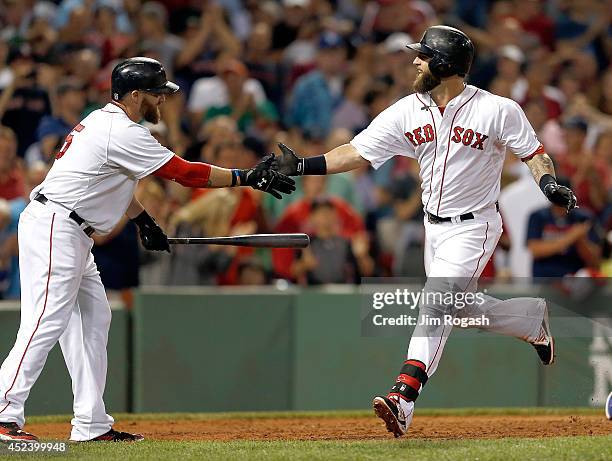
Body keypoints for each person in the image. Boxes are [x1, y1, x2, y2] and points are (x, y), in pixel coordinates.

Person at [271, 26, 577, 437]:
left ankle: (404, 396)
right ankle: (528, 319)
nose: (415, 61)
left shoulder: (497, 109)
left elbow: (534, 153)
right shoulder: (408, 109)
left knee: (435, 304)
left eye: (423, 55)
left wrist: (549, 184)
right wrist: (305, 165)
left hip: (475, 225)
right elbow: (357, 151)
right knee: (457, 309)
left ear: (445, 64)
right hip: (433, 228)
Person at [0, 57, 294, 443]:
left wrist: (142, 219)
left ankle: (90, 423)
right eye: (157, 94)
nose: (162, 101)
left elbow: (105, 181)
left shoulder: (105, 122)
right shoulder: (120, 131)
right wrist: (246, 176)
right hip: (57, 227)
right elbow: (186, 174)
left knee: (94, 318)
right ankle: (4, 413)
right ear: (136, 95)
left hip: (67, 227)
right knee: (45, 321)